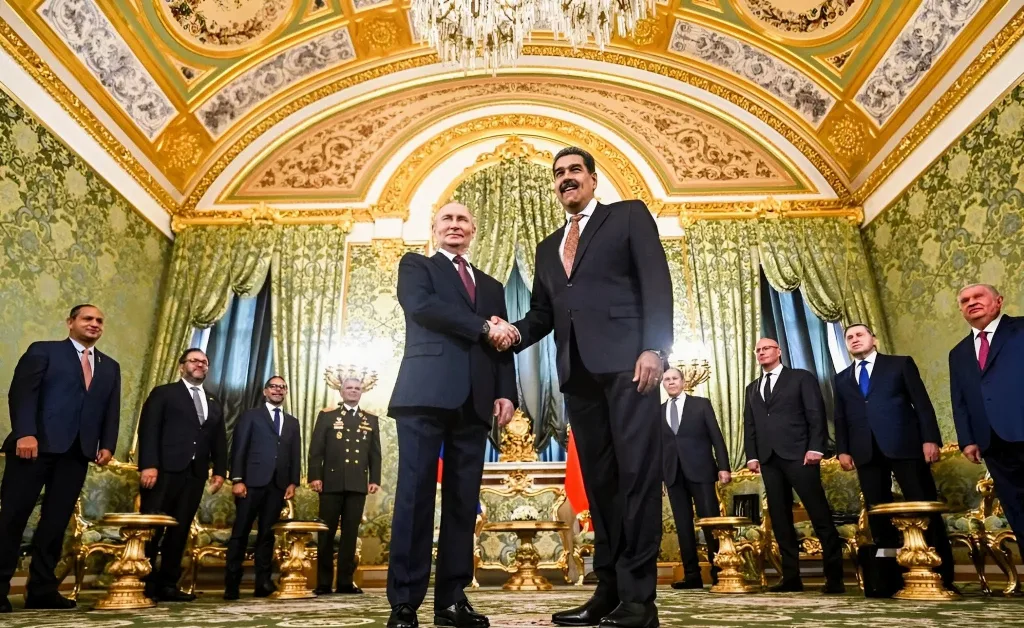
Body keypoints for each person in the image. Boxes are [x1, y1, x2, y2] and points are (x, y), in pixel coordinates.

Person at [499, 147, 672, 628]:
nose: (566, 179)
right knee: (602, 486)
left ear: (593, 180)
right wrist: (508, 333)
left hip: (630, 366)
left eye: (575, 170)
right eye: (558, 174)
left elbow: (657, 284)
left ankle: (640, 603)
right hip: (577, 376)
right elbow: (541, 315)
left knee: (636, 479)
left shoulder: (629, 217)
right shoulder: (547, 247)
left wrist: (656, 350)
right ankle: (608, 592)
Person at [386, 202, 516, 628]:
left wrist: (506, 392)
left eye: (463, 220)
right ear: (435, 228)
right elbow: (423, 308)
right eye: (448, 219)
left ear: (474, 231)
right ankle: (404, 602)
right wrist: (482, 326)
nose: (455, 225)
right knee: (415, 496)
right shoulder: (417, 267)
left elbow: (502, 345)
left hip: (476, 402)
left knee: (463, 504)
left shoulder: (493, 286)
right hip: (424, 394)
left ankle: (452, 601)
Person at [0, 304, 120, 613]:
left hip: (77, 453)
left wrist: (107, 443)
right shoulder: (43, 351)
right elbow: (21, 394)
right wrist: (26, 433)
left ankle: (42, 589)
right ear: (71, 323)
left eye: (99, 320)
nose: (94, 324)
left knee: (54, 525)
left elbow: (110, 408)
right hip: (34, 448)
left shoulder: (109, 366)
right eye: (87, 318)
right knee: (12, 519)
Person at [834, 324, 956, 591]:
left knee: (923, 507)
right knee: (878, 516)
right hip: (865, 452)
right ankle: (889, 578)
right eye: (849, 337)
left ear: (873, 339)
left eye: (859, 335)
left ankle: (943, 574)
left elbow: (922, 403)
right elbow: (841, 417)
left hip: (906, 446)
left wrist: (930, 439)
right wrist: (842, 449)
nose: (854, 340)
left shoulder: (899, 365)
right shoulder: (842, 378)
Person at [743, 337, 845, 594]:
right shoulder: (752, 388)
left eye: (766, 348)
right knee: (780, 519)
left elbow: (815, 414)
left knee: (819, 514)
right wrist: (752, 455)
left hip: (800, 455)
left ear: (778, 351)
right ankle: (791, 578)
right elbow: (751, 425)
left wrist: (816, 447)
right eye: (758, 350)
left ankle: (834, 579)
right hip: (768, 460)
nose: (762, 352)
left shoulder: (801, 377)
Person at [137, 348, 227, 602]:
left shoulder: (213, 401)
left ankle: (168, 584)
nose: (200, 365)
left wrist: (220, 470)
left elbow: (218, 439)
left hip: (195, 474)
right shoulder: (164, 393)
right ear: (181, 366)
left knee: (180, 530)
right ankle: (144, 583)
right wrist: (149, 465)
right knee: (153, 528)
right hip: (163, 471)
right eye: (194, 361)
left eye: (204, 362)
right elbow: (149, 430)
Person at [949, 284, 1024, 546]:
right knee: (1017, 512)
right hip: (992, 442)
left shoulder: (1021, 329)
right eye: (965, 300)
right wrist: (967, 439)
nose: (971, 302)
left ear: (998, 301)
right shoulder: (958, 353)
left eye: (978, 296)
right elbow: (959, 400)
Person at [223, 376, 300, 600]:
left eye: (282, 387)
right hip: (250, 483)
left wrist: (292, 482)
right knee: (240, 533)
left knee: (267, 536)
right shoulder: (251, 416)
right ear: (265, 391)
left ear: (286, 392)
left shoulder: (292, 422)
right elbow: (239, 448)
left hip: (277, 486)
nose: (278, 390)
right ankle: (232, 584)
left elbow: (295, 454)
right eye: (274, 387)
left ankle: (263, 583)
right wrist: (237, 479)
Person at [308, 377, 381, 595]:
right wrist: (315, 476)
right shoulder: (328, 416)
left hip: (357, 484)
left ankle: (345, 582)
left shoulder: (371, 419)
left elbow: (375, 454)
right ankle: (323, 582)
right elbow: (316, 450)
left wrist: (374, 479)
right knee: (326, 534)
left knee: (350, 534)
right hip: (330, 483)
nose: (353, 391)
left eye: (357, 388)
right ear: (341, 392)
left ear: (361, 392)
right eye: (349, 388)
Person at [660, 368, 730, 590]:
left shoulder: (701, 404)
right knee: (683, 526)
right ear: (663, 384)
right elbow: (657, 447)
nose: (671, 382)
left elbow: (716, 437)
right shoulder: (658, 411)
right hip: (673, 475)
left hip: (701, 471)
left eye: (674, 378)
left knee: (710, 523)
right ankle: (692, 576)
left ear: (683, 381)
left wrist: (724, 467)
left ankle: (719, 571)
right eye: (666, 379)